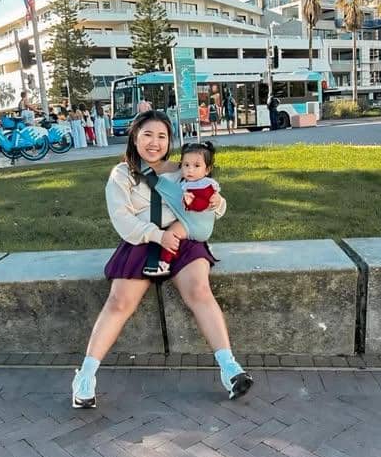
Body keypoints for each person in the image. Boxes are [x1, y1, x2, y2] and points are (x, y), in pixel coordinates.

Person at [72, 110, 253, 408]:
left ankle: (230, 368)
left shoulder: (181, 169)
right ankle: (85, 376)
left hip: (181, 240)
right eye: (147, 135)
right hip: (142, 240)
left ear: (170, 141)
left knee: (198, 290)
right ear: (134, 137)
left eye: (162, 136)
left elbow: (209, 200)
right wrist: (157, 236)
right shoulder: (122, 174)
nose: (155, 143)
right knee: (119, 302)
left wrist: (219, 203)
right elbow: (123, 221)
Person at [143, 140, 218, 277]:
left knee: (172, 234)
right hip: (190, 224)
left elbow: (204, 205)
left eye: (196, 166)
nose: (190, 170)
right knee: (174, 231)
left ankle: (164, 263)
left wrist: (191, 202)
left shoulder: (206, 186)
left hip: (197, 226)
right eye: (186, 165)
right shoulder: (185, 183)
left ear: (207, 170)